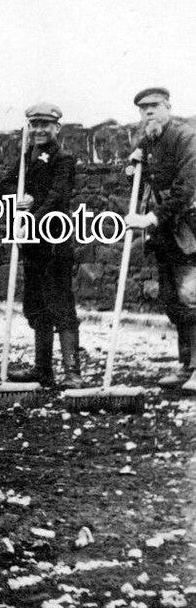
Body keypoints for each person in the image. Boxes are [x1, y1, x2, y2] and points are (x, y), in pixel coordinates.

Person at [0, 103, 83, 389]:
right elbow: (4, 187)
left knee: (61, 303)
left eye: (46, 124)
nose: (39, 130)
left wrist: (31, 213)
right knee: (36, 305)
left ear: (57, 128)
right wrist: (20, 194)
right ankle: (43, 370)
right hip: (32, 244)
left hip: (55, 242)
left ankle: (72, 372)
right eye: (34, 125)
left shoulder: (64, 158)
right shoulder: (26, 157)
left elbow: (57, 198)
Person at [124, 88, 196, 394]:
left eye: (154, 106)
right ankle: (186, 366)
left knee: (191, 296)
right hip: (165, 233)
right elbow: (142, 182)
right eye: (143, 109)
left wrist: (151, 218)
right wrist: (131, 167)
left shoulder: (185, 137)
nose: (148, 113)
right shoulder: (148, 140)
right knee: (171, 300)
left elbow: (187, 187)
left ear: (168, 106)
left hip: (190, 227)